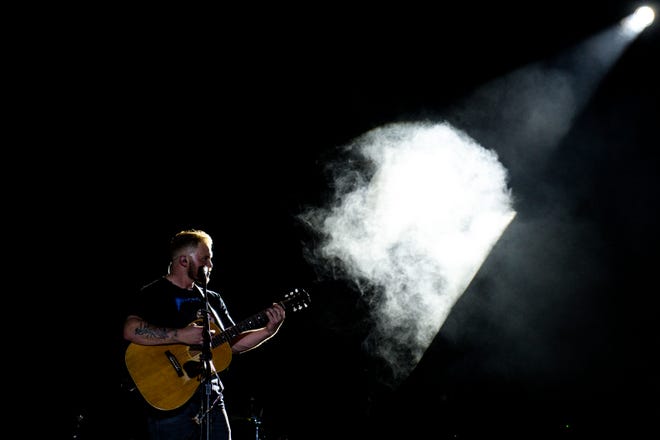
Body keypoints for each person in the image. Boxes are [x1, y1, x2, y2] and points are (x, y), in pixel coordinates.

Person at [123, 229, 286, 440]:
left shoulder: (212, 299)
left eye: (210, 259)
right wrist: (181, 335)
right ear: (183, 261)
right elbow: (130, 329)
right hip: (170, 398)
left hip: (211, 397)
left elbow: (232, 344)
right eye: (205, 259)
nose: (210, 265)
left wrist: (268, 331)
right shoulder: (154, 293)